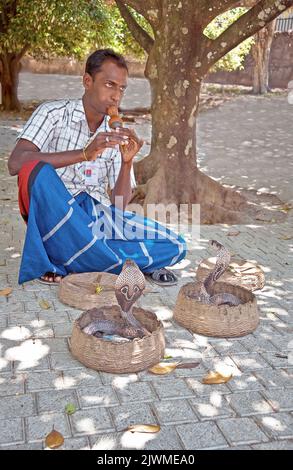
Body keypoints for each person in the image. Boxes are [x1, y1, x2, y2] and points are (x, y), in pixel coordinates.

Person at [8, 49, 186, 286]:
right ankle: (108, 259)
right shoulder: (52, 114)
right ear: (87, 81)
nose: (116, 96)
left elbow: (120, 206)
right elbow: (16, 163)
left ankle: (75, 259)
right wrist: (83, 154)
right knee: (36, 170)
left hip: (95, 218)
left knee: (175, 244)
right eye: (110, 85)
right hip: (56, 216)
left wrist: (126, 162)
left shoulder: (115, 136)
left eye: (122, 89)